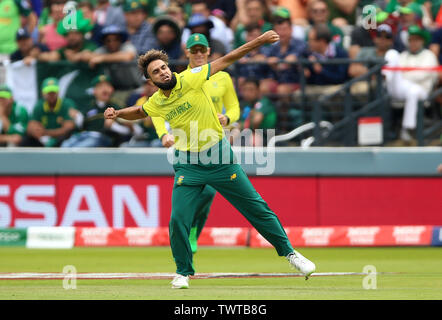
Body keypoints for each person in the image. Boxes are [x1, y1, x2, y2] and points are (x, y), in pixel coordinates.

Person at [104, 30, 316, 289]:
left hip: (219, 158)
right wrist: (117, 113)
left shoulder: (192, 78)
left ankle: (291, 254)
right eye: (156, 72)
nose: (163, 73)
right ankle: (183, 272)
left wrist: (259, 41)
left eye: (164, 67)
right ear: (150, 80)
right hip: (188, 165)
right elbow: (139, 111)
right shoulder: (157, 102)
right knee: (178, 220)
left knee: (256, 208)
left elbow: (228, 58)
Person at [152, 33, 240, 254]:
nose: (199, 54)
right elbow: (155, 110)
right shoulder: (179, 80)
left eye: (203, 50)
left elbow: (234, 108)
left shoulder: (222, 78)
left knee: (209, 192)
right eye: (195, 50)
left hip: (214, 141)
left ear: (209, 51)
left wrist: (227, 118)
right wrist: (163, 134)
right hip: (186, 145)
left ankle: (193, 230)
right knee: (197, 190)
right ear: (187, 53)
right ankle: (187, 228)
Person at [384, 24, 439, 142]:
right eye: (410, 40)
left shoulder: (429, 55)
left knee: (412, 92)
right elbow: (403, 75)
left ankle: (408, 129)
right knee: (392, 53)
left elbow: (422, 75)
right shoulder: (403, 55)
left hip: (422, 91)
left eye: (416, 40)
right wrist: (408, 74)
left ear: (422, 41)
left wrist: (405, 74)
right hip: (402, 88)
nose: (413, 43)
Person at [61, 75, 133, 147]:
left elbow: (128, 131)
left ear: (112, 89)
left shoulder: (117, 107)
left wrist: (113, 126)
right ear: (94, 91)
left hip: (103, 138)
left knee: (83, 146)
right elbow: (81, 125)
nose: (104, 89)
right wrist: (76, 116)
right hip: (85, 135)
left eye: (107, 86)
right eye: (100, 87)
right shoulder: (89, 106)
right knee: (65, 145)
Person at [23, 77, 76, 147]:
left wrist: (45, 132)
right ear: (43, 93)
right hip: (44, 139)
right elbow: (31, 126)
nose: (51, 94)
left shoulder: (67, 104)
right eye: (48, 92)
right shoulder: (39, 105)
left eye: (53, 92)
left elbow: (68, 128)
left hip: (61, 139)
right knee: (26, 141)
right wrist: (40, 136)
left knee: (65, 138)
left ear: (58, 92)